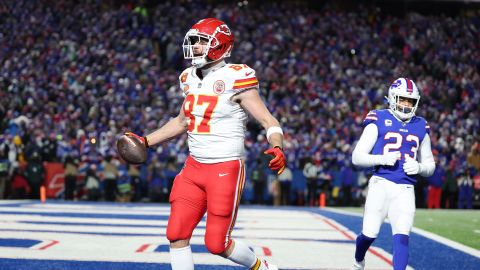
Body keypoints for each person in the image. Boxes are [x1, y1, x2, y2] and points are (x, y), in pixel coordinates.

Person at [125, 18, 285, 270]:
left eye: (201, 42)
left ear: (219, 45)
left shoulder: (237, 76)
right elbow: (181, 121)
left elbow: (268, 119)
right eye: (194, 41)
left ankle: (262, 267)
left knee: (217, 244)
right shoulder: (188, 77)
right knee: (176, 233)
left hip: (225, 168)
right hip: (193, 167)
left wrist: (277, 145)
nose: (194, 47)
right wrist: (146, 141)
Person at [351, 78, 435, 270]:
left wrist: (420, 168)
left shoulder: (421, 125)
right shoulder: (378, 118)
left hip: (405, 188)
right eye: (402, 99)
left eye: (410, 101)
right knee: (369, 233)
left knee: (402, 235)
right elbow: (357, 157)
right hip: (381, 184)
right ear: (392, 98)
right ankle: (358, 261)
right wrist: (381, 158)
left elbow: (430, 164)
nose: (406, 104)